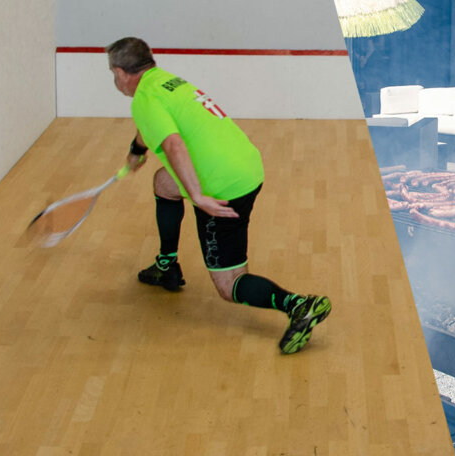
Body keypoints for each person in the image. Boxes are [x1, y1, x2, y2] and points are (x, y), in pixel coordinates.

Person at [106, 37, 332, 355]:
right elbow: (152, 127)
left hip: (223, 188)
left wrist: (198, 195)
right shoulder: (167, 82)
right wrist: (136, 151)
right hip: (246, 165)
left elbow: (173, 144)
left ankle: (299, 305)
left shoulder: (142, 99)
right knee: (164, 183)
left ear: (120, 72)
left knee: (229, 286)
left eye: (112, 74)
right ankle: (166, 264)